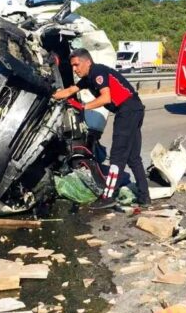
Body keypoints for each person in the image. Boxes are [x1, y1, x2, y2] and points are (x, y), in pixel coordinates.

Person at [52, 48, 150, 209]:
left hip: (127, 110)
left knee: (117, 157)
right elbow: (70, 91)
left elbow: (106, 97)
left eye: (76, 65)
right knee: (133, 158)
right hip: (134, 109)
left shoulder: (97, 72)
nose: (74, 69)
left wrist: (84, 107)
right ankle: (144, 197)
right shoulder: (86, 79)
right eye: (72, 66)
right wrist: (52, 94)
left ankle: (108, 196)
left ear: (87, 62)